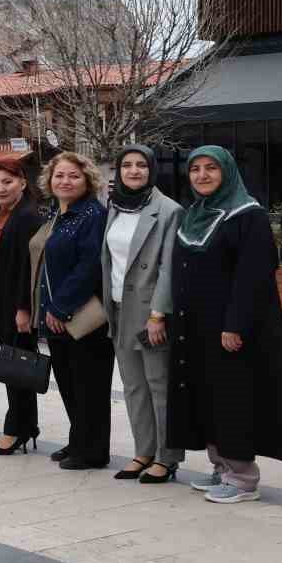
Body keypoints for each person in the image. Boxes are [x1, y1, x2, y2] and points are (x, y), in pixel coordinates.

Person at [169, 147, 282, 502]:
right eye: (195, 169)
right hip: (196, 326)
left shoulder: (248, 215)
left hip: (231, 328)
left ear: (227, 171)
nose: (202, 175)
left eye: (211, 168)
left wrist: (235, 325)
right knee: (207, 396)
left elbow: (254, 277)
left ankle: (243, 478)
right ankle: (222, 467)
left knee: (232, 399)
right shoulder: (194, 214)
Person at [101, 146, 184, 482]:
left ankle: (167, 457)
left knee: (158, 385)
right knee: (133, 386)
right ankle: (143, 451)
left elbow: (168, 268)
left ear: (152, 170)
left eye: (141, 165)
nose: (134, 171)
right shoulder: (115, 206)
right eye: (127, 165)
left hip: (150, 312)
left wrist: (158, 314)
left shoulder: (168, 210)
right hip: (119, 308)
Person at [31, 152, 112, 468]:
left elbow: (89, 265)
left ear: (88, 180)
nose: (65, 181)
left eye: (73, 176)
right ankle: (79, 440)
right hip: (55, 315)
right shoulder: (57, 213)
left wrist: (62, 306)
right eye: (59, 175)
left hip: (83, 316)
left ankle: (92, 451)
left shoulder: (93, 214)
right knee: (68, 382)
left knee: (89, 385)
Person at [0, 158, 44, 455]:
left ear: (22, 183)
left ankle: (16, 429)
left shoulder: (27, 217)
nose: (0, 188)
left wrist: (23, 308)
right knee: (15, 367)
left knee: (17, 368)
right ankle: (25, 426)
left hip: (16, 306)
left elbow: (26, 267)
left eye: (7, 182)